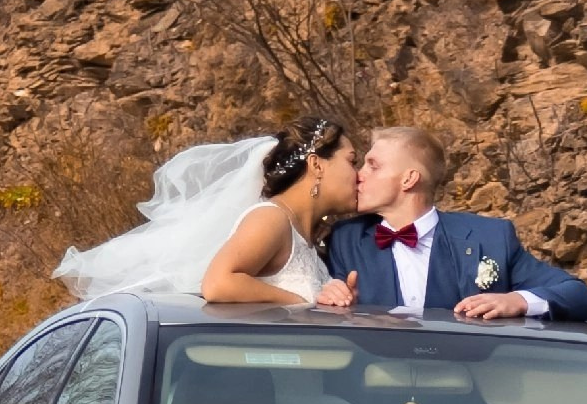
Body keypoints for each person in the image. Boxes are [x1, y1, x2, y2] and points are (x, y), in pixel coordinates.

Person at [53, 118, 359, 305]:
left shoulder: (306, 236)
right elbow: (218, 284)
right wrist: (304, 302)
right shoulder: (271, 220)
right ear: (317, 164)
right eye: (351, 160)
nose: (357, 173)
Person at [320, 125, 587, 320]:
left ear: (409, 179)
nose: (359, 175)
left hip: (471, 388)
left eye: (373, 165)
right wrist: (334, 299)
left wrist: (518, 300)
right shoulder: (345, 239)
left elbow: (578, 296)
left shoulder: (490, 238)